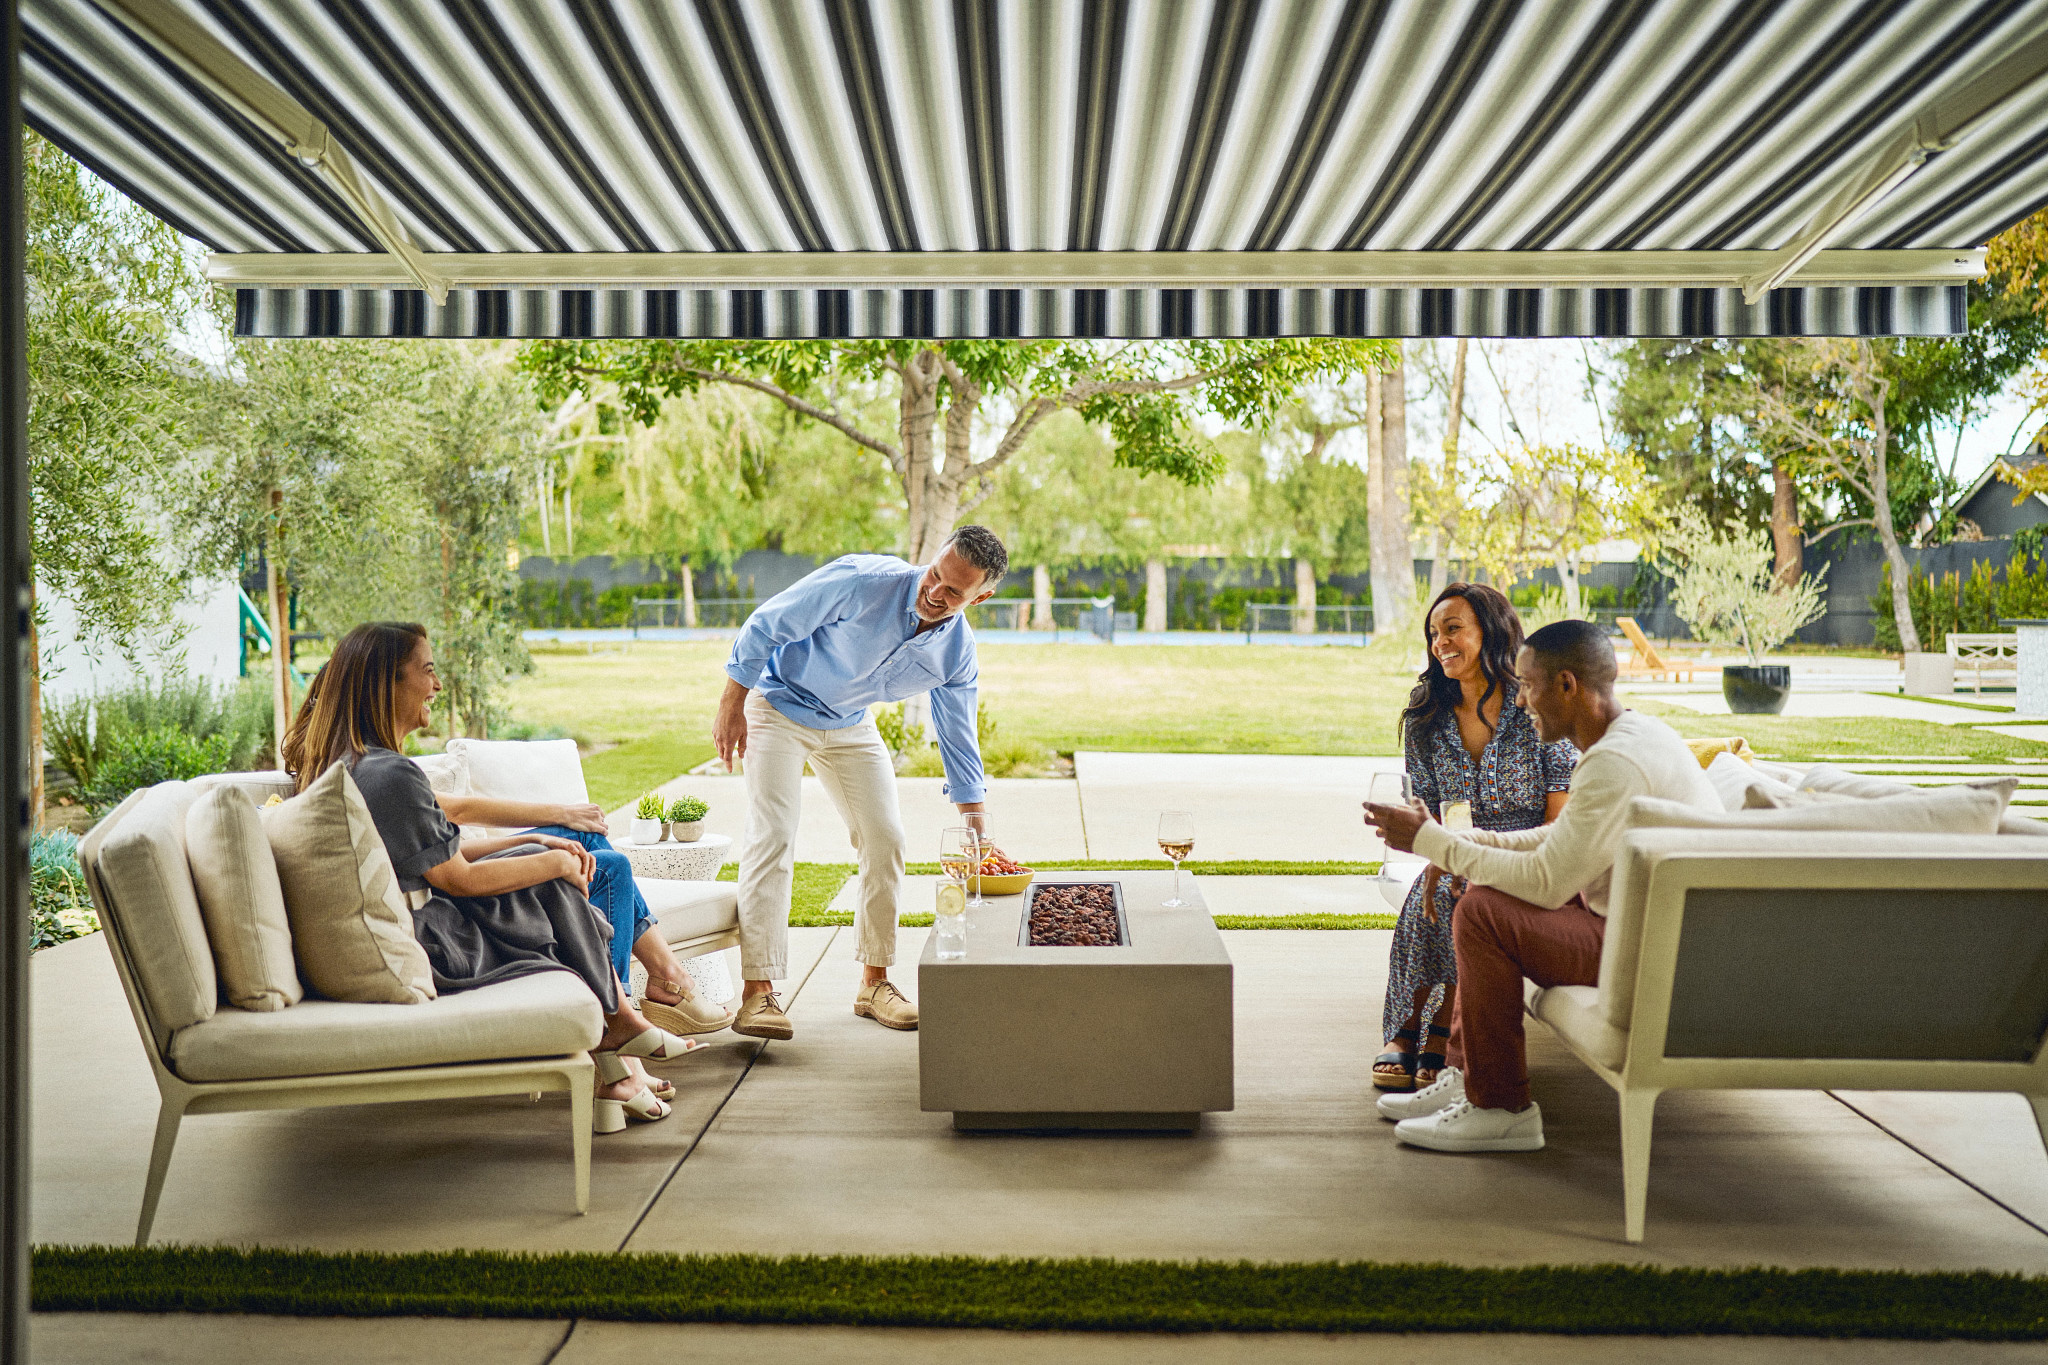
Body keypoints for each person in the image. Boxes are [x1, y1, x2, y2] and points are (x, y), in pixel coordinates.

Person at [281, 622, 699, 1133]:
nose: (436, 686)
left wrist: (539, 844)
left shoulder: (358, 765)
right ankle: (621, 1020)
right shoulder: (388, 774)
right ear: (385, 682)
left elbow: (437, 856)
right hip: (438, 946)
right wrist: (552, 861)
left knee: (556, 861)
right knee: (561, 877)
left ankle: (619, 1028)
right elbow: (458, 881)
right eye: (428, 671)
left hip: (420, 928)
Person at [1363, 619, 1719, 1153]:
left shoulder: (1613, 763)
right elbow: (1558, 841)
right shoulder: (1631, 736)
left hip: (1659, 949)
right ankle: (1466, 1077)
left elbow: (1549, 882)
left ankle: (1501, 1108)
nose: (1522, 700)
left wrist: (1436, 846)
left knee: (1484, 912)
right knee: (1481, 893)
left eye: (1529, 686)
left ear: (1568, 685)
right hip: (1647, 925)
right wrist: (1449, 843)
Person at [715, 527, 1007, 1039]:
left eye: (954, 592)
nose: (935, 592)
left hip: (849, 721)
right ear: (931, 556)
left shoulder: (956, 652)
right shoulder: (862, 580)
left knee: (886, 837)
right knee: (774, 833)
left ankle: (875, 983)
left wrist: (978, 833)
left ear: (981, 596)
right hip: (780, 703)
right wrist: (730, 705)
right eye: (936, 574)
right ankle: (757, 994)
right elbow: (767, 623)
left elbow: (958, 738)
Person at [1374, 585, 1576, 1094]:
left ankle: (1436, 1029)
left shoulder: (1535, 711)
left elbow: (1560, 821)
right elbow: (1434, 816)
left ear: (1490, 630)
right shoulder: (1426, 719)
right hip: (1457, 847)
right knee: (1438, 889)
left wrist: (1479, 858)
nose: (1440, 642)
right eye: (1433, 633)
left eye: (1453, 629)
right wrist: (1450, 852)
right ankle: (1409, 1027)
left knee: (1455, 889)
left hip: (1528, 850)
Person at [433, 792, 733, 1036]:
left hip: (452, 870)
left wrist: (538, 840)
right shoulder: (395, 773)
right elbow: (456, 812)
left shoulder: (393, 767)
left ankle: (663, 979)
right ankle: (619, 1020)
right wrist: (557, 823)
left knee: (582, 838)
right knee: (609, 867)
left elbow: (453, 841)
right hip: (452, 899)